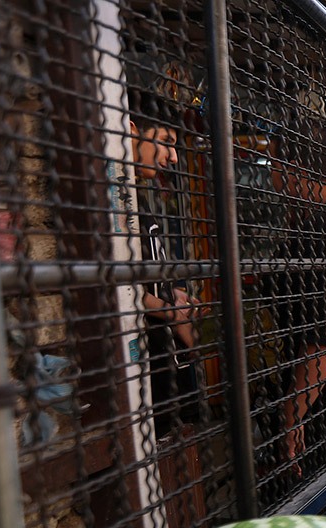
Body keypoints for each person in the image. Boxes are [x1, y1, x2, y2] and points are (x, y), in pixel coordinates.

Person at [125, 86, 205, 439]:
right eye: (166, 141)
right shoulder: (109, 203)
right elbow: (111, 287)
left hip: (166, 375)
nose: (173, 157)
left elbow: (139, 280)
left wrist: (171, 296)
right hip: (144, 384)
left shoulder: (138, 200)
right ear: (129, 132)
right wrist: (169, 311)